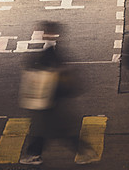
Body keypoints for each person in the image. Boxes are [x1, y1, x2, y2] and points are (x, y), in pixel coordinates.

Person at [20, 22, 94, 165]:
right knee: (43, 127)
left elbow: (53, 70)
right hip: (51, 97)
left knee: (54, 129)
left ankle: (84, 151)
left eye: (45, 32)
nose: (43, 34)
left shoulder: (53, 52)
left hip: (50, 96)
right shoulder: (53, 50)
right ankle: (35, 154)